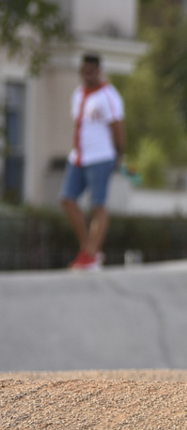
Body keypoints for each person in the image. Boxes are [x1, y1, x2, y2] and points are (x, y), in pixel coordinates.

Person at [60, 53, 126, 271]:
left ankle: (92, 253)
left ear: (99, 71)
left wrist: (119, 155)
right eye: (84, 71)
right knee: (68, 199)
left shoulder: (109, 96)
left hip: (101, 156)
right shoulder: (78, 94)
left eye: (92, 70)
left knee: (98, 204)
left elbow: (117, 127)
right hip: (79, 156)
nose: (88, 75)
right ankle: (86, 247)